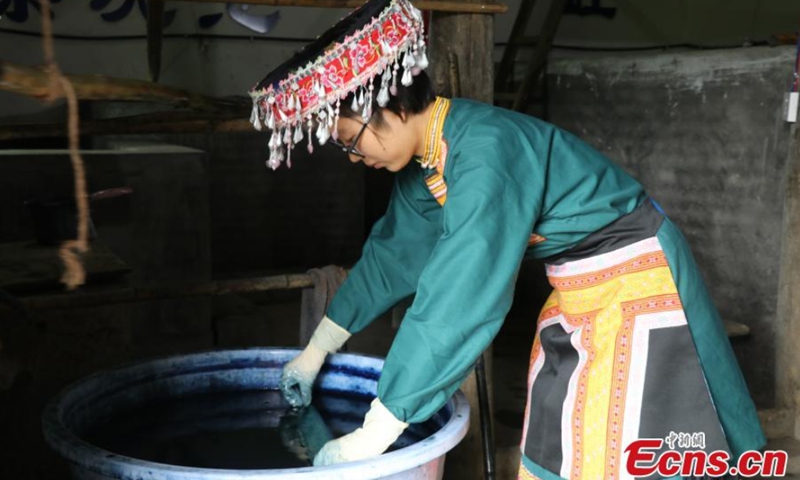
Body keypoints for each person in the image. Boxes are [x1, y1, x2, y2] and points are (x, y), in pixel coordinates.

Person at [249, 0, 766, 477]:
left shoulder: (487, 151)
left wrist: (376, 431)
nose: (357, 158)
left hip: (634, 274)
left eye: (351, 142)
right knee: (562, 426)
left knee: (625, 436)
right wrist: (314, 352)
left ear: (393, 107)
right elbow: (392, 257)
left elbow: (460, 292)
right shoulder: (430, 161)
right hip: (581, 285)